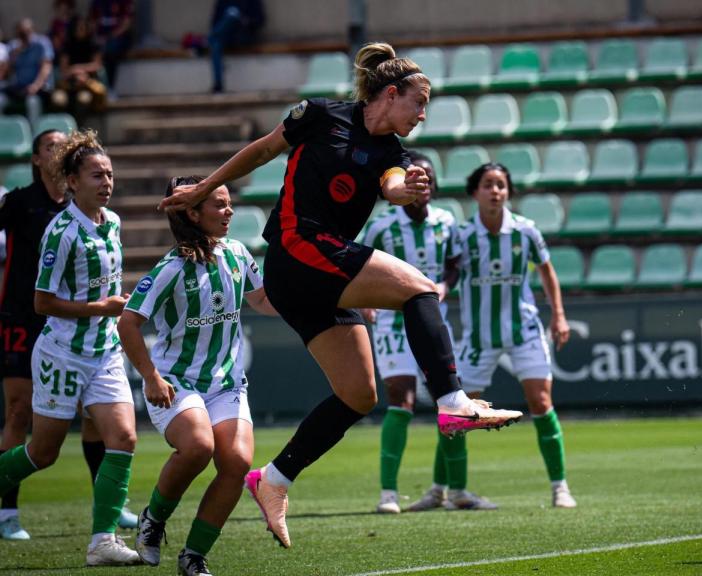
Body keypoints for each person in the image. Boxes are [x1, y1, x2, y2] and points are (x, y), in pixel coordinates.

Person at [160, 42, 522, 549]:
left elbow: (392, 184)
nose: (422, 115)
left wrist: (404, 189)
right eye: (418, 103)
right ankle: (453, 400)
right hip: (295, 249)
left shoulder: (392, 154)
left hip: (319, 271)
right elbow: (262, 149)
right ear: (390, 93)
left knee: (358, 395)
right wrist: (203, 190)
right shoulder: (320, 114)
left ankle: (275, 479)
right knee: (420, 288)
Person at [120, 176, 276, 576]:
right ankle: (153, 520)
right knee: (198, 447)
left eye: (228, 203)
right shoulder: (171, 268)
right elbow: (128, 323)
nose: (229, 211)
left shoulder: (238, 253)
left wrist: (321, 299)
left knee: (237, 462)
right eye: (219, 205)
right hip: (178, 384)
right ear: (193, 212)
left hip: (226, 385)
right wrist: (151, 378)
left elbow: (263, 301)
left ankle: (194, 556)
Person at [0, 130, 141, 565]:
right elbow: (41, 302)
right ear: (72, 181)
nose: (106, 182)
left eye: (110, 174)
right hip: (62, 352)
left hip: (105, 352)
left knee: (124, 437)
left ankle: (102, 543)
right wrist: (102, 306)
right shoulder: (60, 231)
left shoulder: (113, 222)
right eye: (96, 175)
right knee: (43, 453)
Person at [420, 162, 575, 510]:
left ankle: (560, 487)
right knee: (457, 414)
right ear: (475, 192)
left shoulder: (526, 231)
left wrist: (559, 316)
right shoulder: (461, 235)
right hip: (479, 338)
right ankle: (442, 490)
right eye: (488, 185)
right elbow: (452, 272)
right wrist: (441, 289)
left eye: (501, 185)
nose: (495, 191)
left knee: (542, 404)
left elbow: (548, 272)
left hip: (525, 331)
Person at [361, 151, 470, 514]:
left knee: (450, 401)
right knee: (401, 398)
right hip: (393, 320)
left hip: (433, 320)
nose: (422, 185)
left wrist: (444, 284)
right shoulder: (382, 225)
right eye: (413, 178)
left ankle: (456, 490)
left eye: (427, 179)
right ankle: (388, 493)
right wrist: (366, 298)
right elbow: (359, 262)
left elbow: (455, 264)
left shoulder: (446, 221)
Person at [52, 15, 107, 115]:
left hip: (87, 84)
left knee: (83, 100)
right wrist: (74, 73)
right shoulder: (67, 45)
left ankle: (79, 129)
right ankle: (64, 128)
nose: (81, 29)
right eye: (79, 27)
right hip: (67, 84)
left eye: (83, 26)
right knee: (58, 100)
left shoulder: (93, 43)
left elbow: (97, 65)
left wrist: (80, 69)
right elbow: (63, 69)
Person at [4, 19, 54, 128]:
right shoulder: (14, 46)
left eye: (26, 32)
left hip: (38, 89)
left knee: (32, 102)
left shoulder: (42, 43)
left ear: (32, 30)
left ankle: (33, 135)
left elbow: (46, 66)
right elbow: (6, 72)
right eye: (20, 33)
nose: (24, 35)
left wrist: (36, 85)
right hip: (19, 89)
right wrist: (14, 55)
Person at [208, 0, 265, 93]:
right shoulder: (223, 2)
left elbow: (260, 20)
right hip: (226, 38)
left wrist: (245, 21)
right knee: (216, 44)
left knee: (232, 17)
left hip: (243, 35)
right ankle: (218, 84)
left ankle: (208, 40)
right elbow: (214, 23)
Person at [89, 0, 134, 93]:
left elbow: (127, 24)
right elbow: (93, 22)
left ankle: (110, 88)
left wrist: (108, 38)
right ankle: (92, 88)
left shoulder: (125, 2)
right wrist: (96, 36)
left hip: (118, 38)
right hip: (100, 38)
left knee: (110, 51)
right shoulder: (97, 2)